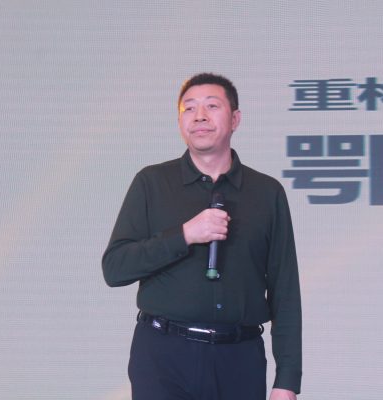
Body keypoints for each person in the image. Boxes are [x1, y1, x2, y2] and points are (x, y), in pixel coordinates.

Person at [102, 73, 302, 400]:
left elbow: (285, 289)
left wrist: (287, 380)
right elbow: (115, 268)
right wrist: (184, 235)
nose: (199, 116)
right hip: (163, 356)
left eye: (212, 106)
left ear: (235, 119)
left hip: (239, 358)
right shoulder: (152, 183)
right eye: (189, 108)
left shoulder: (267, 193)